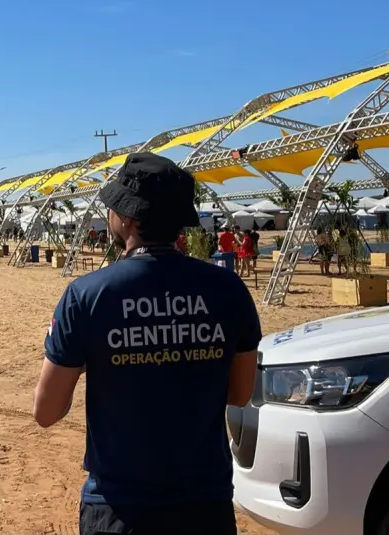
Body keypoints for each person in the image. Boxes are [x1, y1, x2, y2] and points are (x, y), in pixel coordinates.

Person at [33, 152, 262, 535]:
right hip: (204, 504)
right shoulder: (229, 290)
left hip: (119, 508)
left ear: (128, 218)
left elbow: (46, 412)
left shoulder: (86, 296)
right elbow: (239, 394)